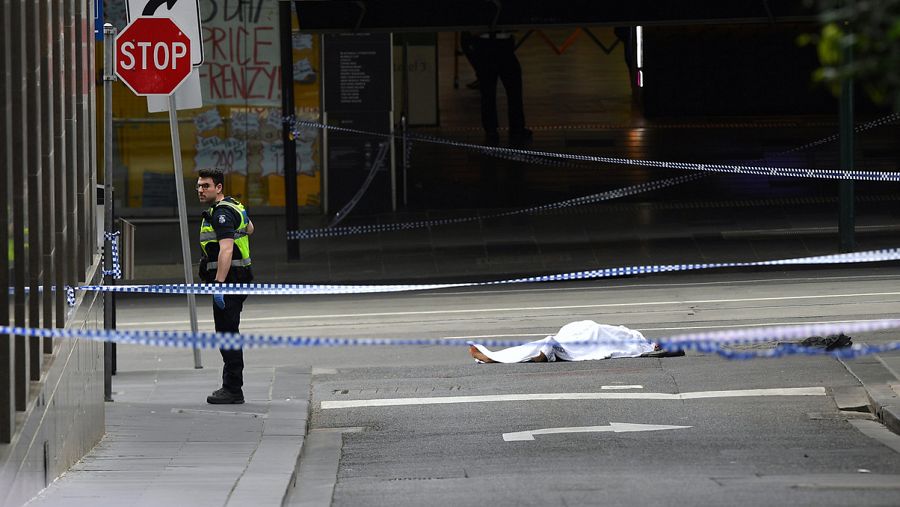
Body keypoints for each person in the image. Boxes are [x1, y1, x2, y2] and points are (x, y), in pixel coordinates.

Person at [197, 168, 255, 404]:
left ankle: (233, 389)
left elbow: (227, 249)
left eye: (206, 186)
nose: (201, 190)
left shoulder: (221, 213)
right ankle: (231, 386)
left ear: (218, 187)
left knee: (227, 333)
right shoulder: (233, 205)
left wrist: (219, 284)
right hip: (238, 278)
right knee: (228, 331)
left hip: (230, 280)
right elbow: (250, 228)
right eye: (199, 186)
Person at [468, 320, 683, 363]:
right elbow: (616, 333)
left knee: (555, 343)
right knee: (581, 335)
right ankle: (494, 357)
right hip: (587, 331)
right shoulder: (638, 338)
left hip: (590, 336)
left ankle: (494, 357)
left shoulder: (640, 345)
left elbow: (614, 346)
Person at [462, 30, 532, 145]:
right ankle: (516, 128)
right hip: (503, 43)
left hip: (484, 43)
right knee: (513, 88)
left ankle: (491, 131)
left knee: (488, 91)